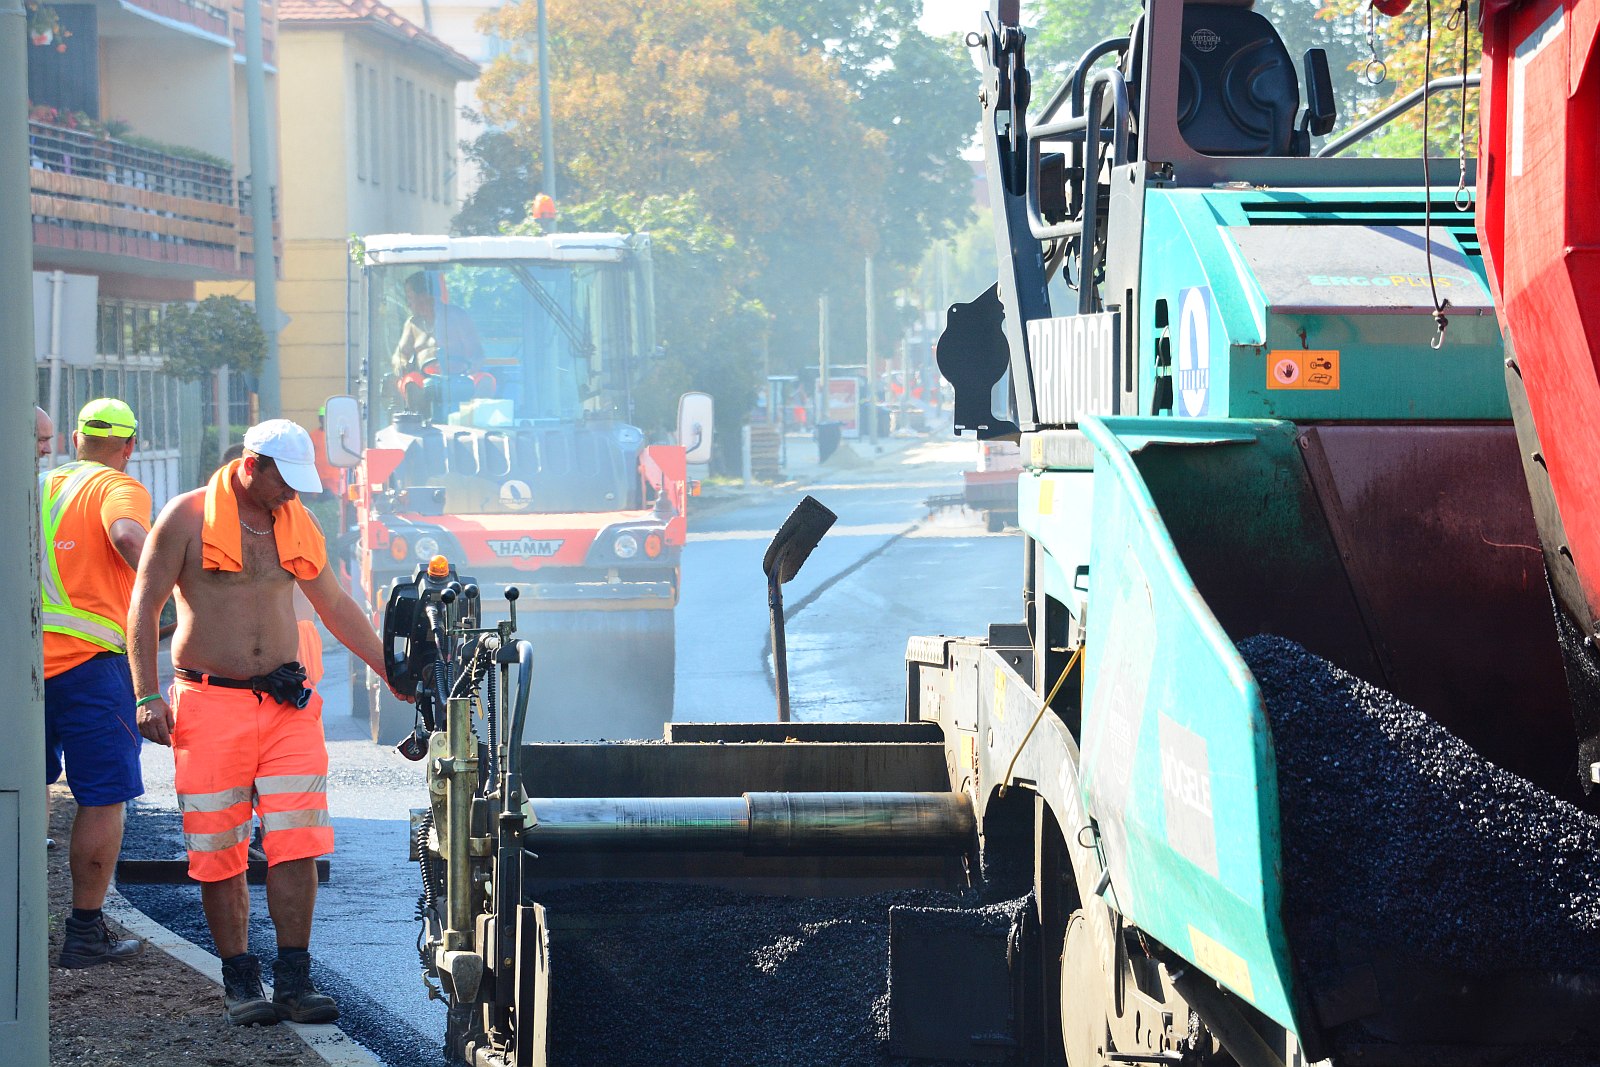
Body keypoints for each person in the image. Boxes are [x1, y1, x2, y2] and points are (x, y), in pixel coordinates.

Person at [128, 419, 409, 1027]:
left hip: (286, 706)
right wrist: (147, 695)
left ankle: (294, 980)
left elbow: (334, 605)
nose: (295, 495)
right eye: (287, 482)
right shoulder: (186, 517)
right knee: (218, 849)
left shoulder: (295, 522)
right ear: (253, 466)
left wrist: (390, 670)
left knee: (298, 841)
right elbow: (144, 605)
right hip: (208, 704)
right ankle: (238, 979)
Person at [41, 398, 150, 969]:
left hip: (24, 667)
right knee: (102, 796)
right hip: (92, 665)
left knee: (21, 789)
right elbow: (131, 536)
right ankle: (84, 933)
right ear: (129, 446)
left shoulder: (33, 485)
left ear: (75, 438)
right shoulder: (117, 486)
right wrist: (170, 590)